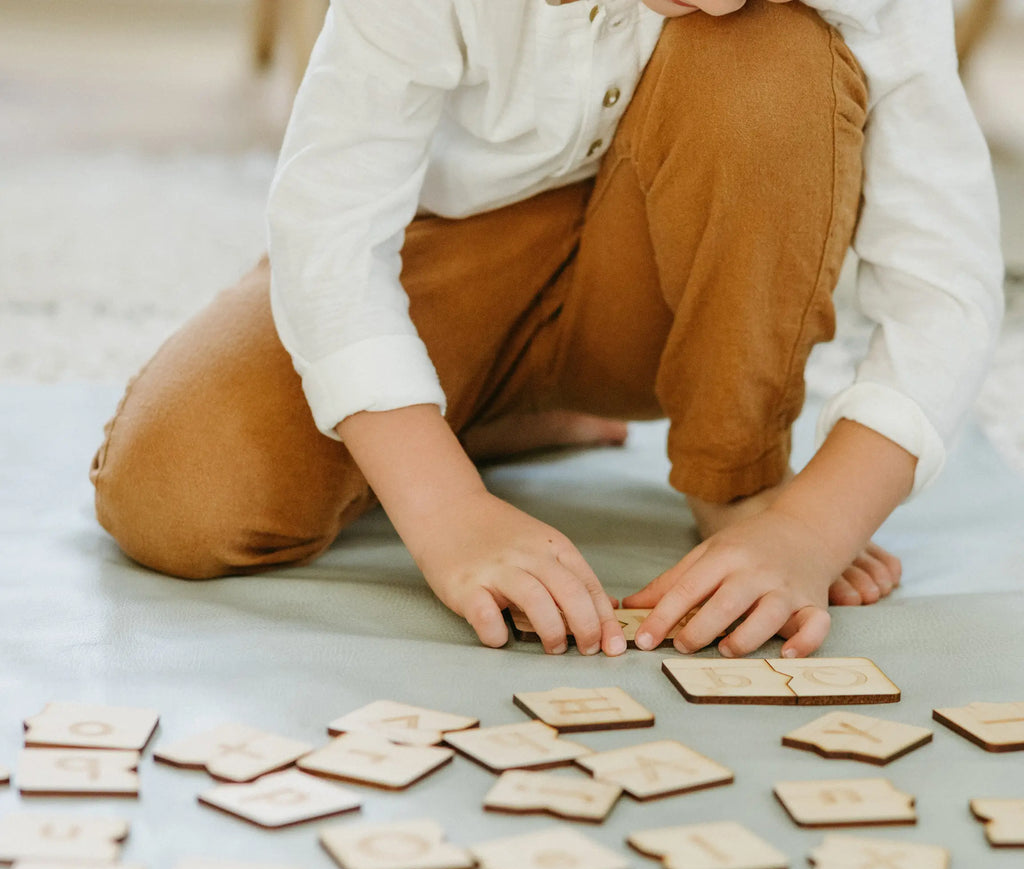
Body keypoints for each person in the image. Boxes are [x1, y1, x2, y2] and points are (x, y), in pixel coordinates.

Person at [90, 0, 1003, 661]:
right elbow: (329, 232)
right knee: (177, 493)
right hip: (446, 258)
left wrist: (809, 526)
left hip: (677, 305)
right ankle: (490, 421)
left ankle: (734, 483)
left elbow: (946, 279)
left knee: (766, 61)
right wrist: (446, 514)